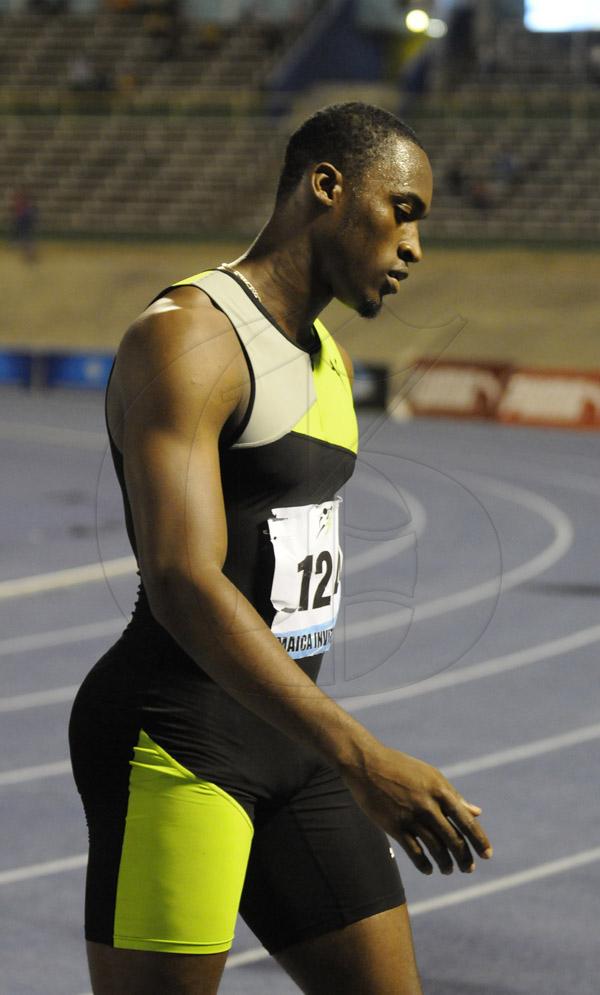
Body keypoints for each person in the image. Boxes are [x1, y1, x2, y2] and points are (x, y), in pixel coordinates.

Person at [69, 101, 493, 995]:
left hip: (292, 735)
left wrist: (334, 749)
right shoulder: (189, 336)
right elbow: (183, 579)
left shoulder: (325, 353)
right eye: (403, 211)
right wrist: (363, 756)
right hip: (179, 737)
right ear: (326, 187)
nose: (415, 247)